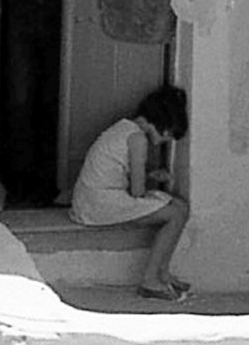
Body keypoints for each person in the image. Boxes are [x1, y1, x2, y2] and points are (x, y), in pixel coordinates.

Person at [70, 85, 190, 301]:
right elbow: (138, 192)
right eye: (169, 135)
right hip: (99, 204)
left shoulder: (125, 128)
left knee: (180, 206)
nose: (166, 140)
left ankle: (162, 274)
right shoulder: (138, 139)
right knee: (176, 213)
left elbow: (121, 171)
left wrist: (150, 175)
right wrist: (150, 184)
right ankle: (151, 279)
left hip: (91, 200)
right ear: (162, 124)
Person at [0, 0, 64, 208]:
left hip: (55, 5)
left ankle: (48, 181)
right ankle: (19, 183)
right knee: (18, 97)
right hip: (16, 5)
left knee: (51, 97)